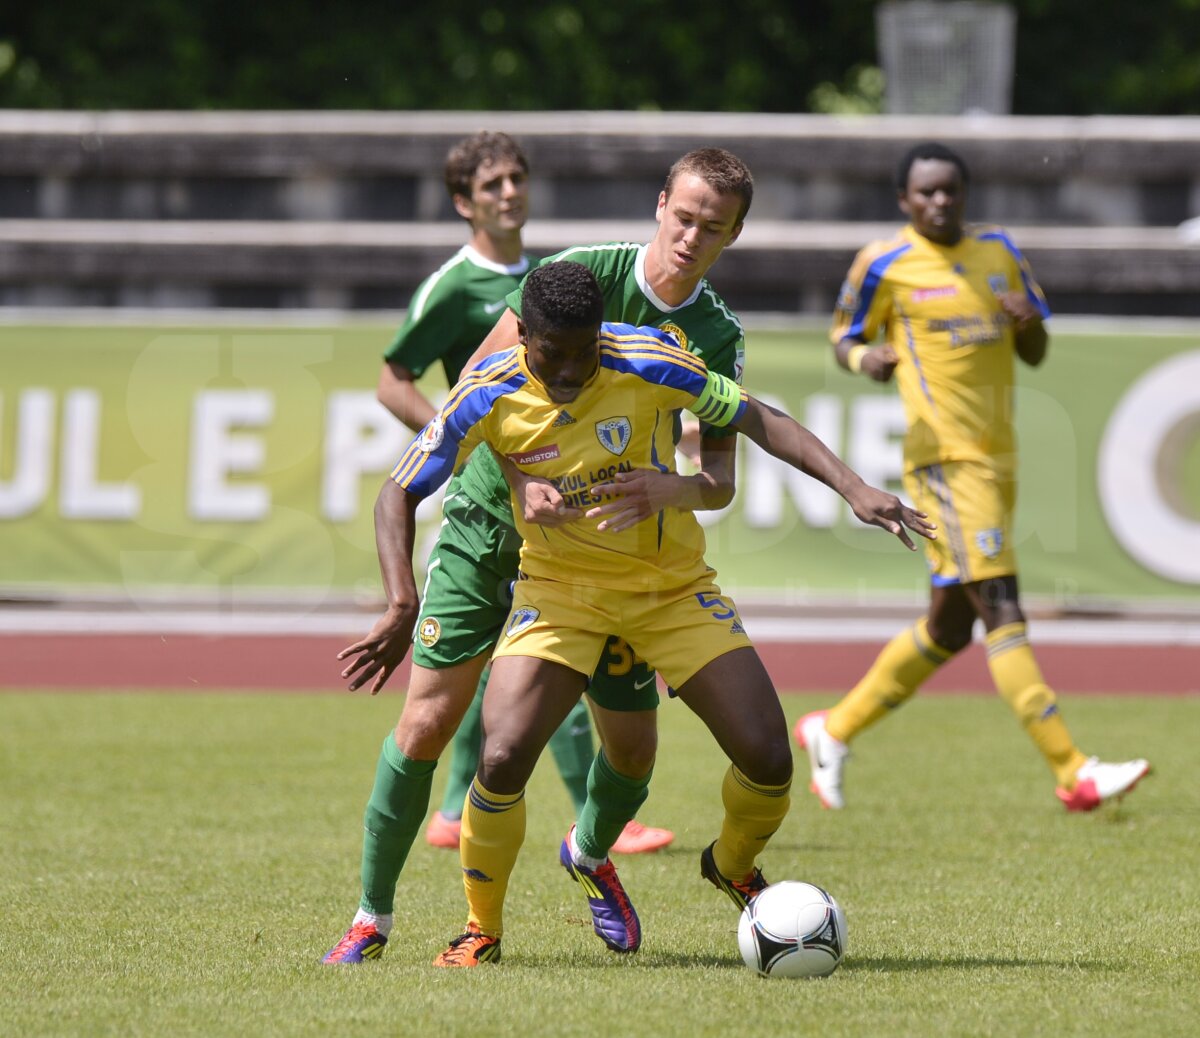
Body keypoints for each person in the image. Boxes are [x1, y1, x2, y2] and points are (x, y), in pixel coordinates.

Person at [339, 260, 936, 967]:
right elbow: (397, 492)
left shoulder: (651, 358)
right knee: (499, 758)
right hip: (558, 596)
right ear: (521, 333)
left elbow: (756, 416)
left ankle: (731, 863)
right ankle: (480, 929)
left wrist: (854, 487)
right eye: (550, 353)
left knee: (768, 757)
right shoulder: (486, 389)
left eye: (583, 352)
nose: (568, 370)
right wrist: (402, 599)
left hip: (671, 589)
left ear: (603, 333)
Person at [319, 132, 676, 967]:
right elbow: (402, 397)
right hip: (486, 532)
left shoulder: (568, 293)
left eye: (519, 176)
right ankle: (373, 915)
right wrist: (491, 459)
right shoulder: (467, 306)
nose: (511, 190)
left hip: (585, 544)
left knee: (622, 741)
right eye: (494, 180)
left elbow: (707, 410)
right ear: (465, 200)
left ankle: (588, 849)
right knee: (430, 718)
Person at [794, 141, 1151, 813]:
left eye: (949, 190)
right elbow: (842, 336)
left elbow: (1037, 351)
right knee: (1004, 607)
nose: (939, 202)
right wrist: (866, 358)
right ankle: (1073, 769)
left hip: (997, 460)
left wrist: (1028, 322)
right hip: (944, 462)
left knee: (950, 627)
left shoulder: (1000, 254)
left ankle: (832, 729)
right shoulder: (885, 262)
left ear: (964, 193)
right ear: (904, 201)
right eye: (925, 193)